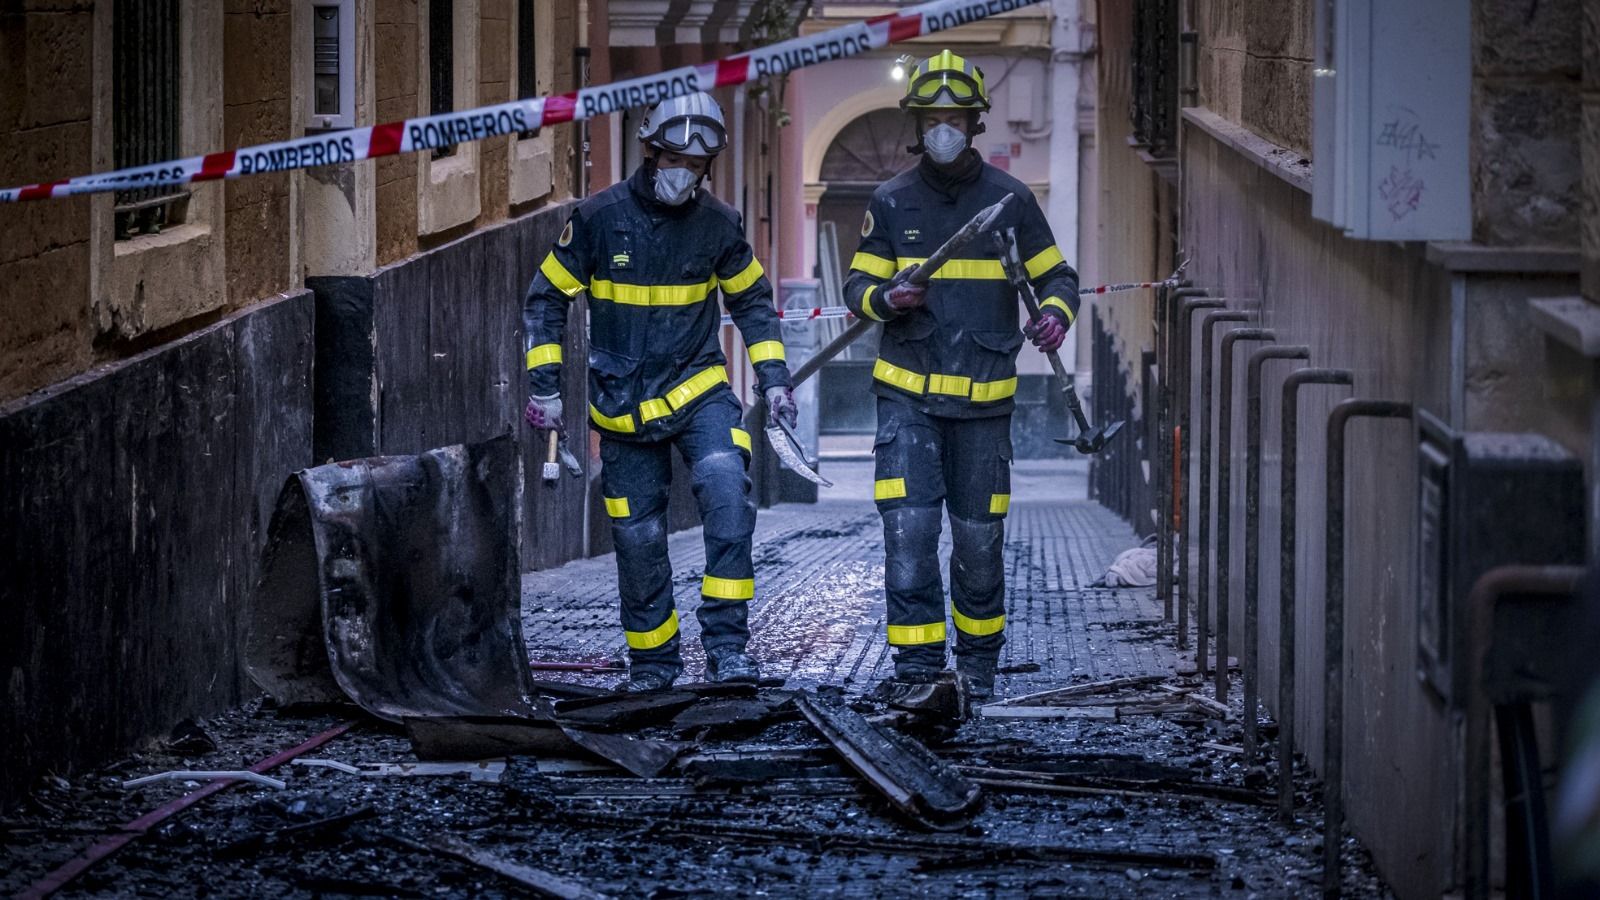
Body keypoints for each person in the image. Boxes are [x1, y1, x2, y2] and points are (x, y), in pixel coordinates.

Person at [522, 92, 798, 692]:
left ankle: (728, 650)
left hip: (700, 392)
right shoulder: (598, 219)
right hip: (622, 411)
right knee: (639, 539)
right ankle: (653, 666)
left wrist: (774, 380)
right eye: (675, 158)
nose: (685, 173)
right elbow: (546, 299)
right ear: (650, 150)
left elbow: (751, 302)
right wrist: (545, 390)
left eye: (697, 166)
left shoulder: (719, 225)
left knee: (729, 504)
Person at [843, 50, 1080, 700]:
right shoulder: (891, 203)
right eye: (933, 117)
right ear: (918, 126)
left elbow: (1057, 276)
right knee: (911, 535)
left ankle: (976, 673)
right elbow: (856, 284)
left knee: (979, 547)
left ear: (974, 123)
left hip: (983, 412)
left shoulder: (1011, 201)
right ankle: (917, 676)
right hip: (907, 404)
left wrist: (1056, 315)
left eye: (955, 117)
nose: (944, 128)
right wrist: (883, 298)